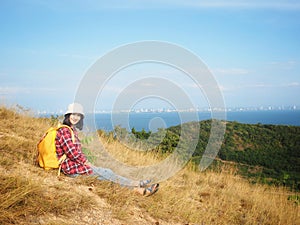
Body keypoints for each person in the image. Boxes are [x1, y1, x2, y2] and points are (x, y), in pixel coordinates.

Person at [55, 103, 159, 196]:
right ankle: (136, 187)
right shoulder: (65, 131)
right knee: (105, 173)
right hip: (71, 168)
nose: (75, 117)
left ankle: (135, 185)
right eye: (73, 114)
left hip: (75, 165)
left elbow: (75, 153)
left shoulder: (71, 130)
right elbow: (72, 153)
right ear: (68, 115)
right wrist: (86, 162)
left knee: (106, 173)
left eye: (78, 115)